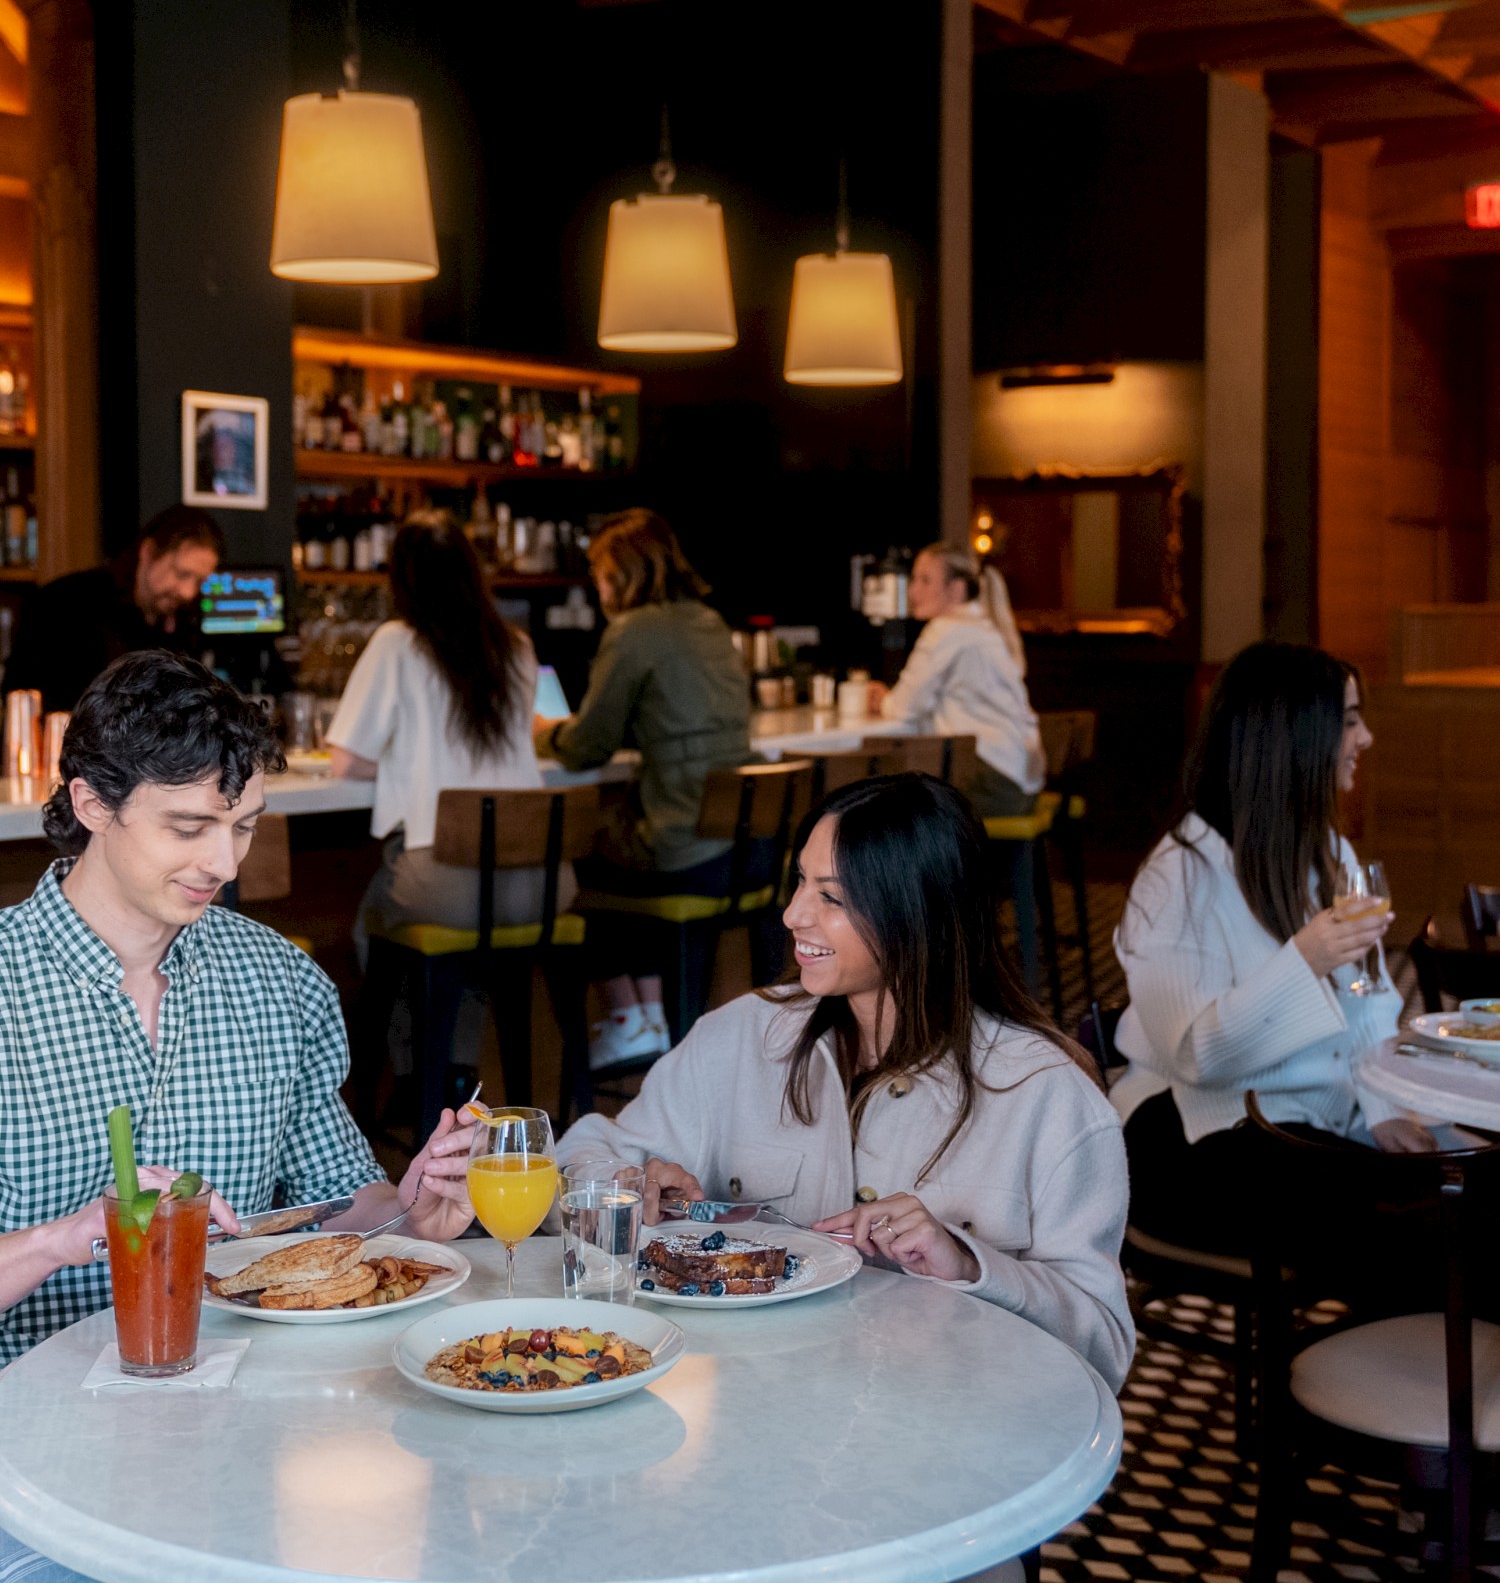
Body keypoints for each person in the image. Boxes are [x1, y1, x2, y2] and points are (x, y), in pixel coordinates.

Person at [555, 772, 1134, 1393]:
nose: (792, 914)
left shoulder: (1046, 1093)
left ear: (916, 910)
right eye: (801, 881)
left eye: (831, 897)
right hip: (760, 1412)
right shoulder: (742, 1037)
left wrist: (969, 1263)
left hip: (950, 1435)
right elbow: (582, 1155)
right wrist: (623, 1184)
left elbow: (1103, 1346)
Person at [0, 649, 477, 1371]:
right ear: (94, 804)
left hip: (238, 1398)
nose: (225, 865)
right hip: (30, 1421)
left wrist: (413, 1211)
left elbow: (338, 1200)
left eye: (244, 825)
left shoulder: (281, 981)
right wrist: (60, 1240)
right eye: (188, 829)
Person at [1112, 641, 1428, 1257]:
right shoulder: (1180, 876)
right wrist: (1304, 960)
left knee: (1465, 1198)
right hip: (1199, 1135)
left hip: (1308, 1126)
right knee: (1415, 1233)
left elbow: (1368, 1002)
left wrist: (1385, 1108)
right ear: (1295, 737)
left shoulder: (1330, 853)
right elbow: (1197, 1058)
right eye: (1351, 720)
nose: (1366, 738)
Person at [534, 508, 754, 1068]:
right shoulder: (708, 620)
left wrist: (543, 733)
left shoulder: (632, 630)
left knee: (569, 864)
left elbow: (589, 745)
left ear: (626, 573)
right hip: (745, 848)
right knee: (613, 852)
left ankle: (631, 1018)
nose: (599, 587)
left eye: (602, 574)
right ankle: (646, 1017)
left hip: (687, 847)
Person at [327, 509, 570, 965]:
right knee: (460, 960)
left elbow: (347, 763)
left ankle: (395, 1039)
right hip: (542, 883)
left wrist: (408, 762)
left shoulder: (397, 642)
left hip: (452, 888)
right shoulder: (516, 646)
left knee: (366, 928)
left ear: (401, 579)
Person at [874, 542, 1044, 817]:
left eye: (925, 580)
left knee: (888, 805)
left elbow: (904, 708)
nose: (913, 590)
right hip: (1021, 784)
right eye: (914, 579)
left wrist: (883, 700)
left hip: (997, 786)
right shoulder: (980, 626)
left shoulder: (948, 630)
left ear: (956, 589)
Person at [1, 504, 225, 711]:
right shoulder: (69, 602)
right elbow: (24, 697)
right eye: (181, 574)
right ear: (148, 551)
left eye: (199, 582)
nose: (188, 592)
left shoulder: (183, 621)